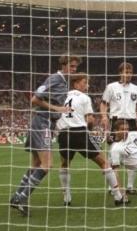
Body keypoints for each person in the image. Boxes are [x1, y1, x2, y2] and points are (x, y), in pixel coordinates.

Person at [9, 55, 77, 217]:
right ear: (63, 65)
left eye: (75, 67)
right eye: (72, 66)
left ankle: (17, 197)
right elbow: (34, 99)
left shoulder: (64, 82)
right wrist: (57, 109)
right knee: (47, 165)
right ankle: (22, 199)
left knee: (36, 163)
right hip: (42, 122)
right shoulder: (55, 79)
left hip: (43, 123)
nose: (74, 69)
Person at [55, 73, 126, 206]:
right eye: (84, 82)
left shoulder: (62, 96)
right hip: (80, 133)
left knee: (64, 164)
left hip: (64, 133)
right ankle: (118, 196)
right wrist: (90, 127)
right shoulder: (84, 98)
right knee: (104, 162)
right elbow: (90, 119)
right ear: (76, 83)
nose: (87, 85)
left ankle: (66, 197)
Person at [100, 62, 137, 194]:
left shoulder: (136, 88)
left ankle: (130, 186)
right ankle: (113, 186)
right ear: (120, 73)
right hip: (116, 122)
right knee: (113, 153)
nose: (128, 74)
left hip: (131, 123)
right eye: (126, 72)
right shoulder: (111, 87)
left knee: (132, 153)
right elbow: (103, 104)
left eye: (130, 72)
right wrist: (104, 116)